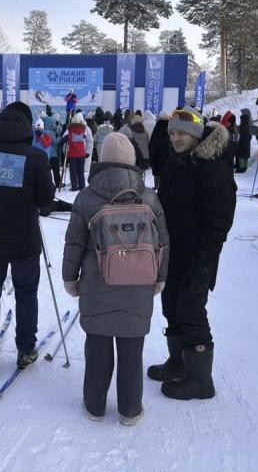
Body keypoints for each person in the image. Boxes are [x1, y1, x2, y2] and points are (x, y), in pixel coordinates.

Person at [62, 132, 169, 424]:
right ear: (132, 161)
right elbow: (163, 242)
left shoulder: (87, 197)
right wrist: (159, 276)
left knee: (97, 347)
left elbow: (73, 243)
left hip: (97, 285)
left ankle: (95, 405)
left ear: (100, 158)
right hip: (139, 285)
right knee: (132, 350)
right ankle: (130, 410)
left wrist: (70, 278)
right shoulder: (148, 196)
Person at [146, 107, 236, 400]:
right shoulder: (180, 161)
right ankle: (178, 362)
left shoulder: (213, 167)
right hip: (173, 251)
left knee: (192, 310)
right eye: (172, 132)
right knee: (171, 306)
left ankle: (200, 380)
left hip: (198, 257)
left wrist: (204, 264)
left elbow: (218, 223)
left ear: (196, 134)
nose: (174, 138)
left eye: (181, 132)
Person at [0, 101, 55, 371]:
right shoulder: (35, 157)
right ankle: (26, 349)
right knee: (26, 293)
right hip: (25, 240)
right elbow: (45, 200)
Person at [64, 113, 90, 191]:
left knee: (73, 172)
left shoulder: (69, 130)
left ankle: (74, 187)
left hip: (72, 154)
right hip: (81, 153)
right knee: (80, 171)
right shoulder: (83, 129)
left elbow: (63, 139)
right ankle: (82, 186)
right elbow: (86, 137)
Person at [149, 111, 172, 186]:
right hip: (167, 155)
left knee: (157, 172)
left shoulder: (157, 127)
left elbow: (152, 143)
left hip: (157, 155)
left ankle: (156, 186)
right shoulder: (170, 128)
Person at [41, 108, 61, 187]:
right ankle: (58, 183)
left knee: (46, 171)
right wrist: (59, 137)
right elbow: (55, 143)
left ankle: (46, 183)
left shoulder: (42, 132)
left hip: (44, 155)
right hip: (53, 155)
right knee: (56, 170)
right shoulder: (51, 133)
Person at [235, 109, 253, 173]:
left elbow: (238, 129)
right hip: (247, 144)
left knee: (241, 157)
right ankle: (245, 167)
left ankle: (241, 168)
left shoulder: (243, 126)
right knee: (245, 157)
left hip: (242, 144)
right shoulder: (248, 125)